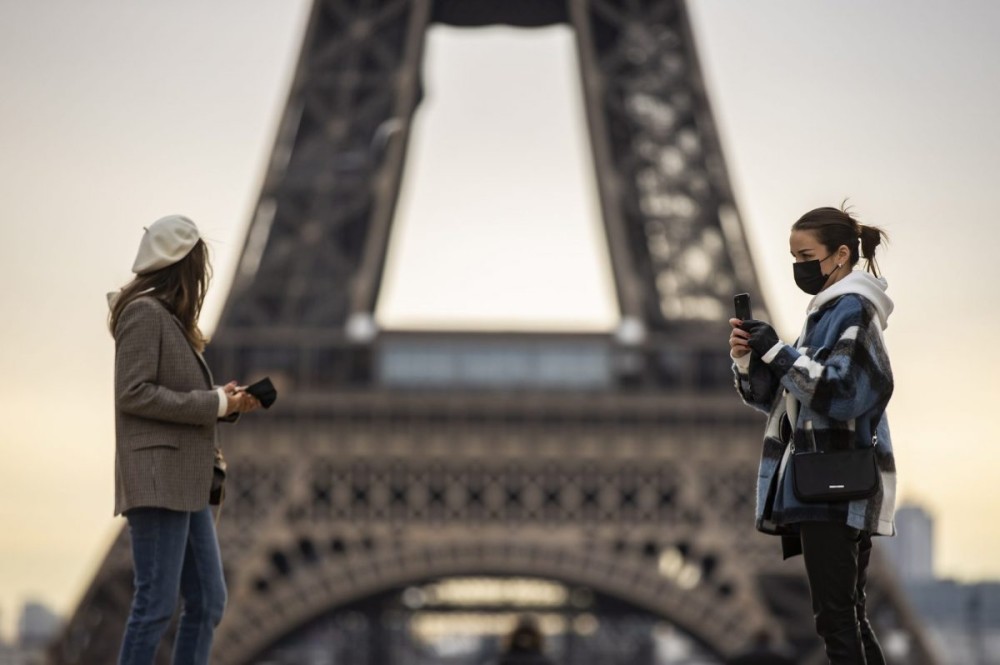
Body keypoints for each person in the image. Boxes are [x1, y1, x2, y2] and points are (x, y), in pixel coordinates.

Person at [728, 206, 896, 664]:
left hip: (832, 486)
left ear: (841, 255)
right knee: (847, 616)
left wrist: (778, 351)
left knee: (836, 618)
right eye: (792, 256)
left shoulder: (853, 310)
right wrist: (750, 359)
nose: (798, 266)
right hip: (824, 481)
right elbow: (789, 404)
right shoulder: (823, 315)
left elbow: (841, 393)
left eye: (805, 255)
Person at [109, 215, 260, 665]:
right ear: (182, 265)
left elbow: (172, 397)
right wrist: (212, 403)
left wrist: (224, 404)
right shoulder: (142, 313)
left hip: (186, 483)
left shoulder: (168, 321)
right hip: (160, 481)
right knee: (154, 605)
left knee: (209, 601)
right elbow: (132, 394)